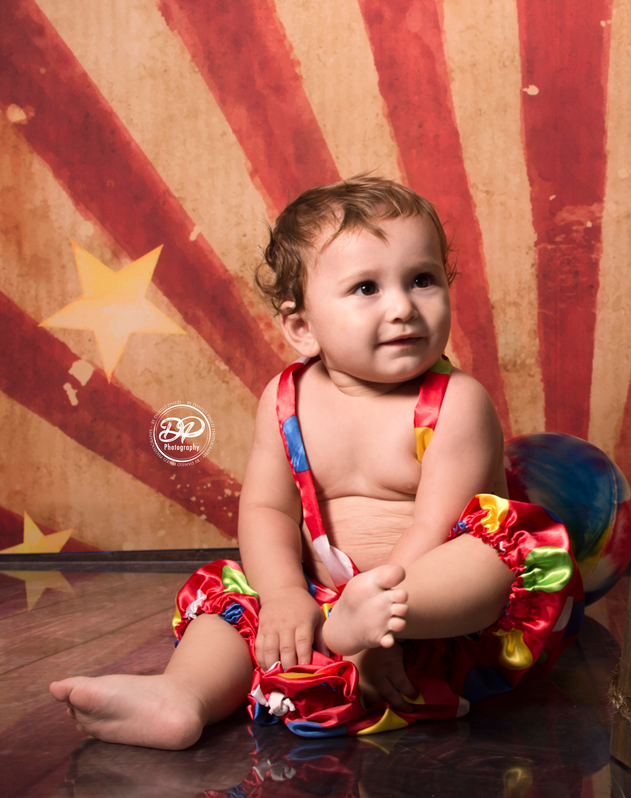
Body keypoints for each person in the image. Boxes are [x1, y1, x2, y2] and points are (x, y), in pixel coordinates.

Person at [49, 176, 584, 749]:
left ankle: (366, 627)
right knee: (233, 610)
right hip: (320, 606)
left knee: (486, 560)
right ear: (303, 328)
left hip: (428, 615)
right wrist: (285, 595)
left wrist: (379, 621)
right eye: (366, 288)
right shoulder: (286, 399)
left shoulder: (457, 403)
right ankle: (183, 695)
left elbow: (437, 526)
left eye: (422, 279)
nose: (403, 307)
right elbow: (268, 510)